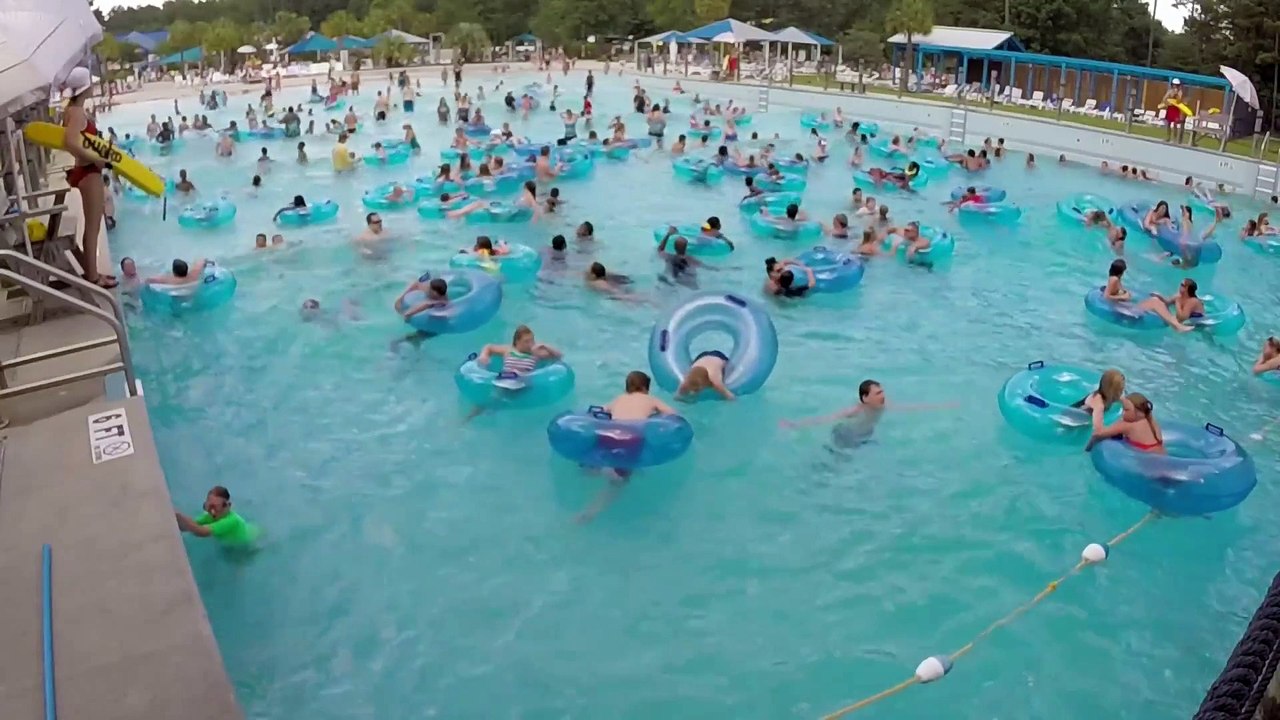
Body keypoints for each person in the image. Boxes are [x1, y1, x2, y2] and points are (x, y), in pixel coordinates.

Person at [574, 371, 677, 524]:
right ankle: (590, 512)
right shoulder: (651, 399)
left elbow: (600, 411)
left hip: (609, 433)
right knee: (620, 482)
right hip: (630, 439)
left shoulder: (618, 399)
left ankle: (594, 469)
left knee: (601, 459)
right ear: (644, 389)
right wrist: (653, 418)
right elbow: (673, 414)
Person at [60, 67, 115, 287]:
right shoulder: (77, 112)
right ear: (85, 87)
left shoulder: (72, 110)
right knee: (93, 227)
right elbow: (71, 142)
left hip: (85, 170)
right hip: (89, 172)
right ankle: (93, 277)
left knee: (93, 226)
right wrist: (96, 159)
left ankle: (94, 272)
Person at [779, 379, 949, 451]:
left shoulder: (883, 405)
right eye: (877, 394)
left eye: (882, 391)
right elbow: (826, 419)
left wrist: (942, 405)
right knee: (837, 463)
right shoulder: (856, 410)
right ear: (865, 398)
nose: (882, 396)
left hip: (865, 436)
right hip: (847, 435)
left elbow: (911, 408)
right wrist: (795, 425)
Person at [463, 325, 564, 422]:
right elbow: (489, 347)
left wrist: (544, 345)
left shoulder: (535, 354)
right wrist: (484, 355)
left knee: (502, 398)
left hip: (522, 384)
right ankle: (468, 419)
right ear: (517, 341)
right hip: (504, 381)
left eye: (532, 340)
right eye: (526, 341)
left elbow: (559, 355)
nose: (530, 344)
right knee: (493, 397)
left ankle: (493, 410)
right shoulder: (508, 350)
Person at [174, 486, 258, 546]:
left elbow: (202, 532)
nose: (212, 511)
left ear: (227, 506)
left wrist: (179, 515)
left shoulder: (231, 521)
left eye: (215, 507)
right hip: (229, 541)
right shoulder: (210, 516)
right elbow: (190, 524)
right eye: (209, 506)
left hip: (249, 543)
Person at [1084, 393, 1164, 453]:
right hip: (1162, 460)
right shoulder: (1151, 420)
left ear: (1136, 411)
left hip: (1148, 465)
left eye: (1126, 410)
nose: (1122, 413)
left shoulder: (1127, 425)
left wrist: (1098, 409)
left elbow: (1098, 433)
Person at [391, 275, 449, 349]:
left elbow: (426, 304)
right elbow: (416, 284)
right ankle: (402, 342)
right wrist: (401, 298)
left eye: (434, 295)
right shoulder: (426, 286)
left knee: (432, 331)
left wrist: (408, 314)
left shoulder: (442, 300)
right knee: (420, 336)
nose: (429, 291)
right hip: (427, 282)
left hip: (434, 323)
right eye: (430, 291)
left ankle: (401, 341)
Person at [1132, 278, 1203, 332]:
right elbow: (1167, 302)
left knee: (1154, 302)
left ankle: (1177, 327)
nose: (1179, 286)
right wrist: (1159, 297)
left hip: (1189, 325)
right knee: (1155, 300)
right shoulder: (1178, 296)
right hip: (1177, 321)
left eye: (1182, 285)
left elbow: (1182, 318)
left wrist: (1177, 303)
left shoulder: (1193, 301)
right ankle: (1135, 311)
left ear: (1187, 288)